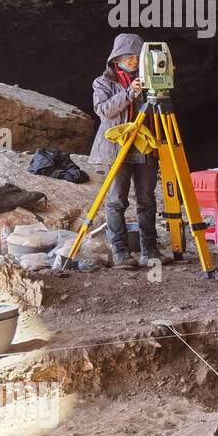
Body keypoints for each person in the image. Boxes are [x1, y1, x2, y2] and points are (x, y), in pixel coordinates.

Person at [89, 33, 166, 268]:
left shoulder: (149, 79)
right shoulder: (103, 83)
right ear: (117, 57)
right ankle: (121, 252)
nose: (134, 60)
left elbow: (158, 110)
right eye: (130, 56)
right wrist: (130, 92)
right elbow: (103, 110)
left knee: (147, 199)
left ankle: (150, 251)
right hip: (117, 148)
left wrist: (161, 85)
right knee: (116, 201)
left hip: (145, 147)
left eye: (138, 56)